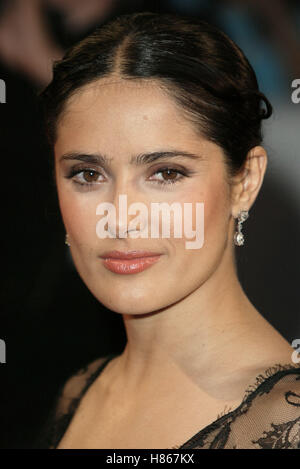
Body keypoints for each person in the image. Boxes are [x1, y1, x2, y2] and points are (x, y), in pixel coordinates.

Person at [35, 11, 300, 449]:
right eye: (87, 174)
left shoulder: (286, 425)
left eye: (166, 173)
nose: (120, 217)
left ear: (245, 182)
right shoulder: (79, 390)